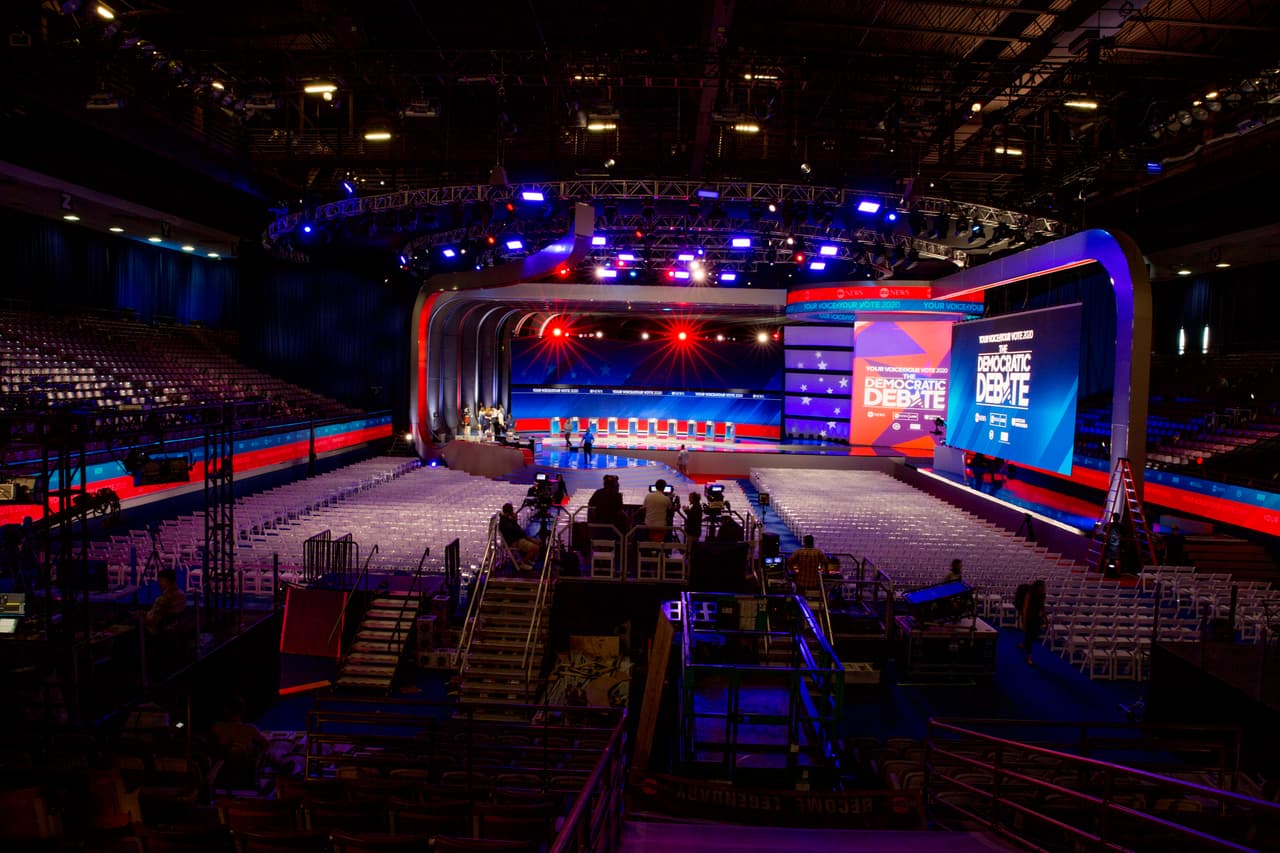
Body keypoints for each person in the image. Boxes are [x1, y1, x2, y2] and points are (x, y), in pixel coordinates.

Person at [144, 568, 186, 635]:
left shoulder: (163, 599)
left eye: (160, 581)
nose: (159, 583)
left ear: (166, 581)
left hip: (157, 631)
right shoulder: (182, 594)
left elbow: (153, 622)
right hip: (173, 629)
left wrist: (141, 618)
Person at [498, 503, 540, 570]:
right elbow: (517, 532)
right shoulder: (506, 523)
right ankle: (522, 563)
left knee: (536, 543)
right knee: (535, 548)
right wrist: (515, 521)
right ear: (510, 512)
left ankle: (526, 560)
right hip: (514, 542)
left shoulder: (506, 520)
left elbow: (518, 532)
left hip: (517, 539)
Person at [1021, 579, 1047, 665]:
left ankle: (1025, 644)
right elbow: (1025, 609)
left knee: (1034, 636)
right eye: (1043, 586)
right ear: (1038, 587)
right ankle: (1029, 656)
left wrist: (1045, 618)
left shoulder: (1042, 595)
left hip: (1036, 618)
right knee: (1029, 637)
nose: (1044, 588)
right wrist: (1024, 623)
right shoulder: (1030, 595)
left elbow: (1042, 607)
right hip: (1029, 618)